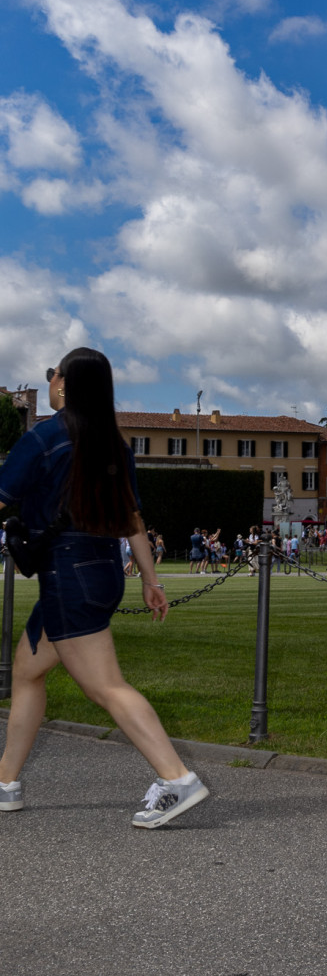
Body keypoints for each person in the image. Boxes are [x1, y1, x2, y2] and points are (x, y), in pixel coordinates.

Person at [0, 349, 208, 829]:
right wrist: (151, 580)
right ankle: (6, 781)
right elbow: (132, 521)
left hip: (66, 574)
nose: (49, 381)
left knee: (106, 686)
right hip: (101, 570)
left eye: (52, 375)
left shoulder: (44, 437)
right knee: (28, 671)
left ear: (64, 384)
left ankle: (176, 778)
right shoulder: (115, 445)